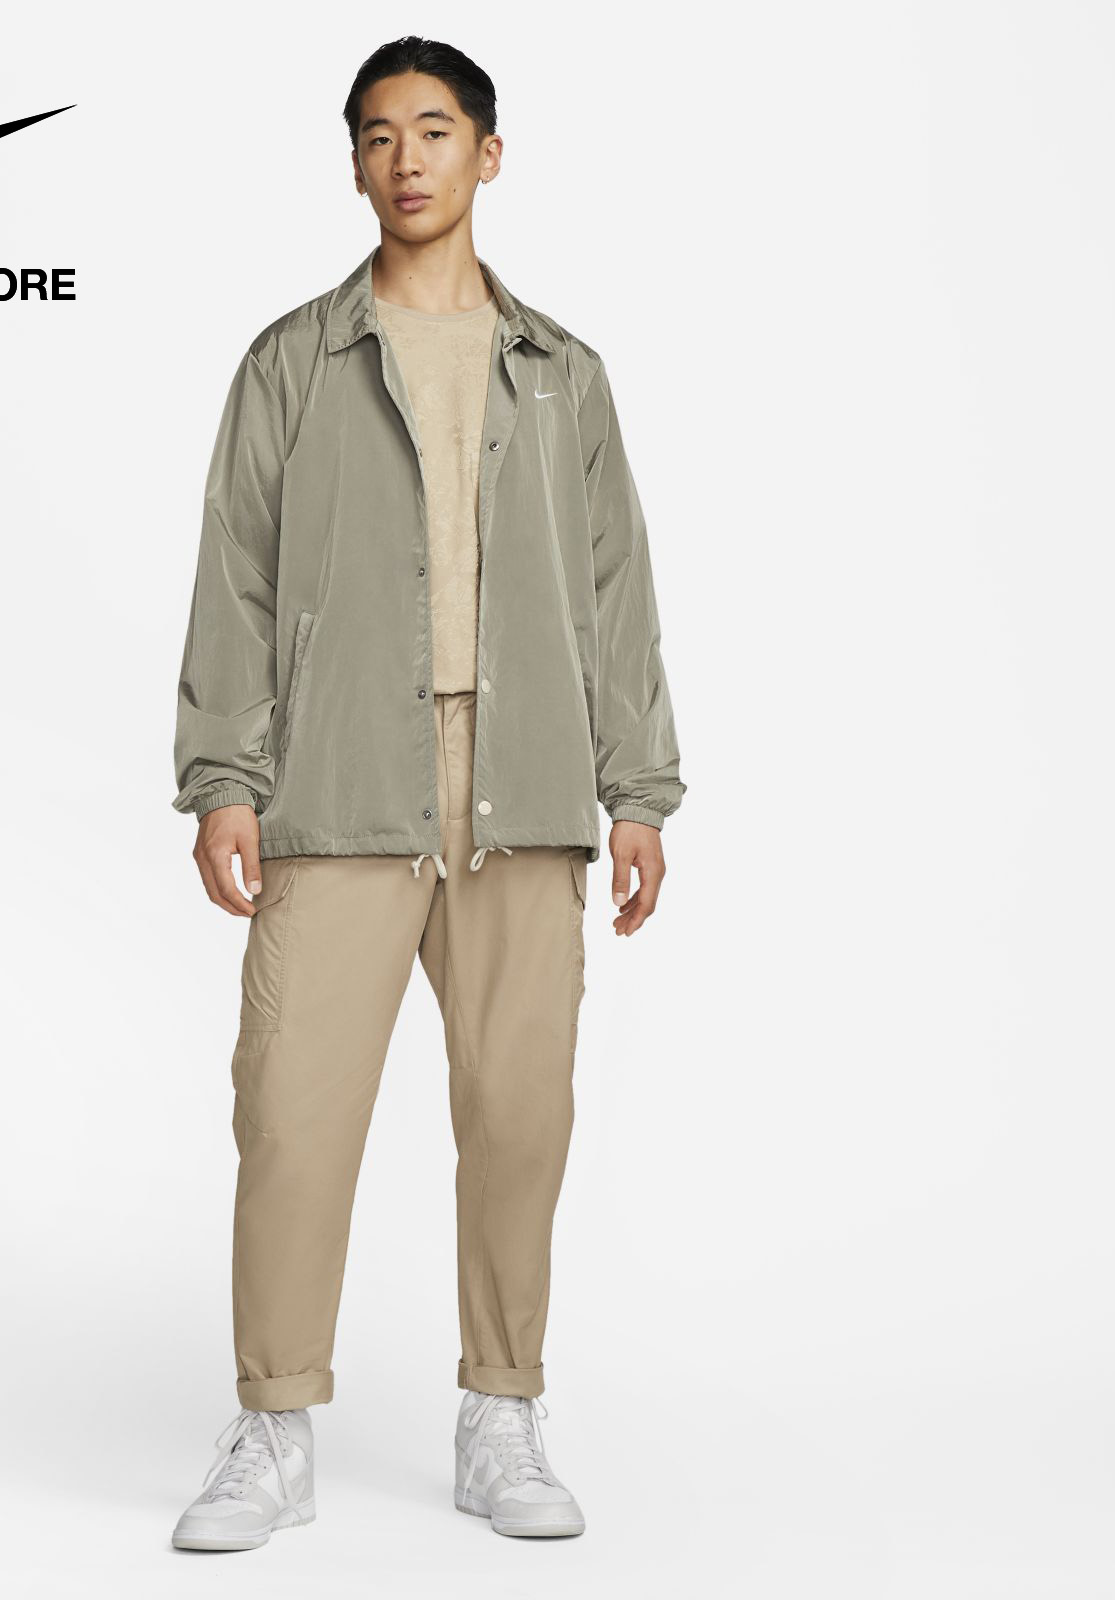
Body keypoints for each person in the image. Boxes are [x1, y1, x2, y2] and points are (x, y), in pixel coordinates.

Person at [168, 35, 684, 1551]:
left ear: (488, 155)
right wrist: (224, 777)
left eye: (437, 130)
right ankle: (273, 1429)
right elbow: (234, 576)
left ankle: (501, 1413)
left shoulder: (564, 374)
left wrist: (638, 789)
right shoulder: (291, 362)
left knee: (521, 1115)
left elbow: (617, 588)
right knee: (291, 1115)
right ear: (354, 164)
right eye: (381, 135)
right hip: (338, 787)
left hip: (523, 791)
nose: (408, 158)